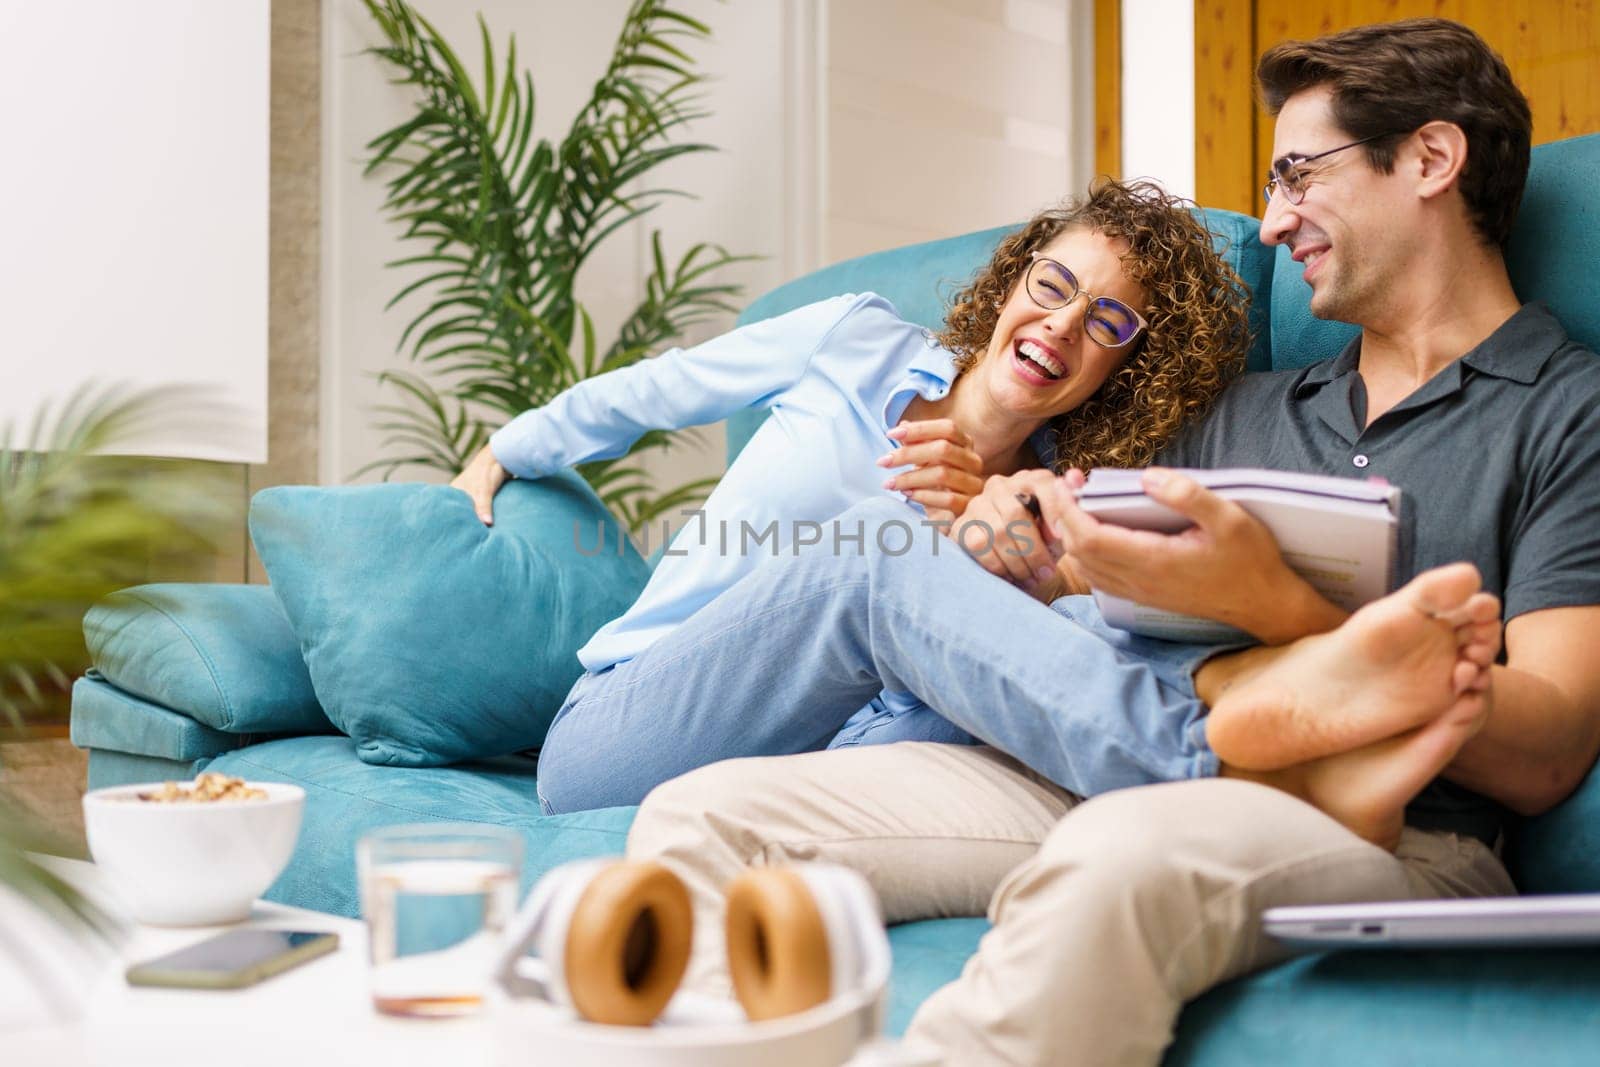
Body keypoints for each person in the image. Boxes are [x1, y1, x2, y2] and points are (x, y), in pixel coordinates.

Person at [624, 17, 1600, 1064]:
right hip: (1113, 758)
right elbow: (1080, 593)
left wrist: (1282, 606)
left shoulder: (1564, 414)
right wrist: (1015, 538)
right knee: (701, 819)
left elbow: (1545, 748)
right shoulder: (1243, 412)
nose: (1274, 223)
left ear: (1430, 158)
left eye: (1298, 175)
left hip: (1401, 828)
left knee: (1117, 856)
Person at [451, 180, 1252, 813]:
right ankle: (1207, 768)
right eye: (1055, 284)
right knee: (876, 549)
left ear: (1127, 369)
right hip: (625, 732)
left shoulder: (1042, 507)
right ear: (1014, 281)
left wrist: (1010, 569)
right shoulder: (854, 342)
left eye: (1109, 321)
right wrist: (508, 446)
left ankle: (1223, 748)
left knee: (1066, 609)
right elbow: (659, 390)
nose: (1065, 323)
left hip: (825, 778)